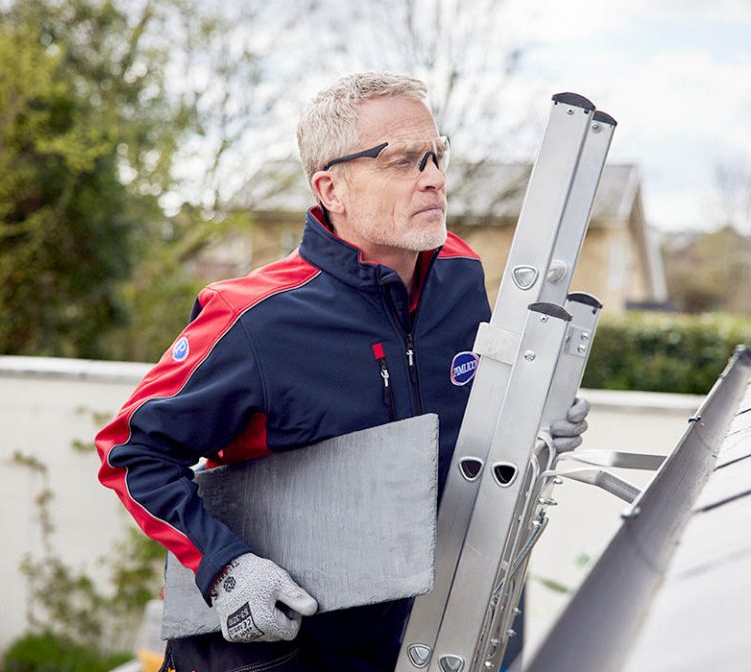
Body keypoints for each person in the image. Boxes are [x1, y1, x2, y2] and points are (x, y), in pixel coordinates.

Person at [96, 71, 589, 672]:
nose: (433, 177)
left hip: (419, 645)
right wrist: (226, 568)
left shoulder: (460, 275)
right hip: (281, 653)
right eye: (403, 160)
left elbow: (465, 416)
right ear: (332, 188)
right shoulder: (254, 317)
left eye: (436, 155)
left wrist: (532, 420)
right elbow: (130, 449)